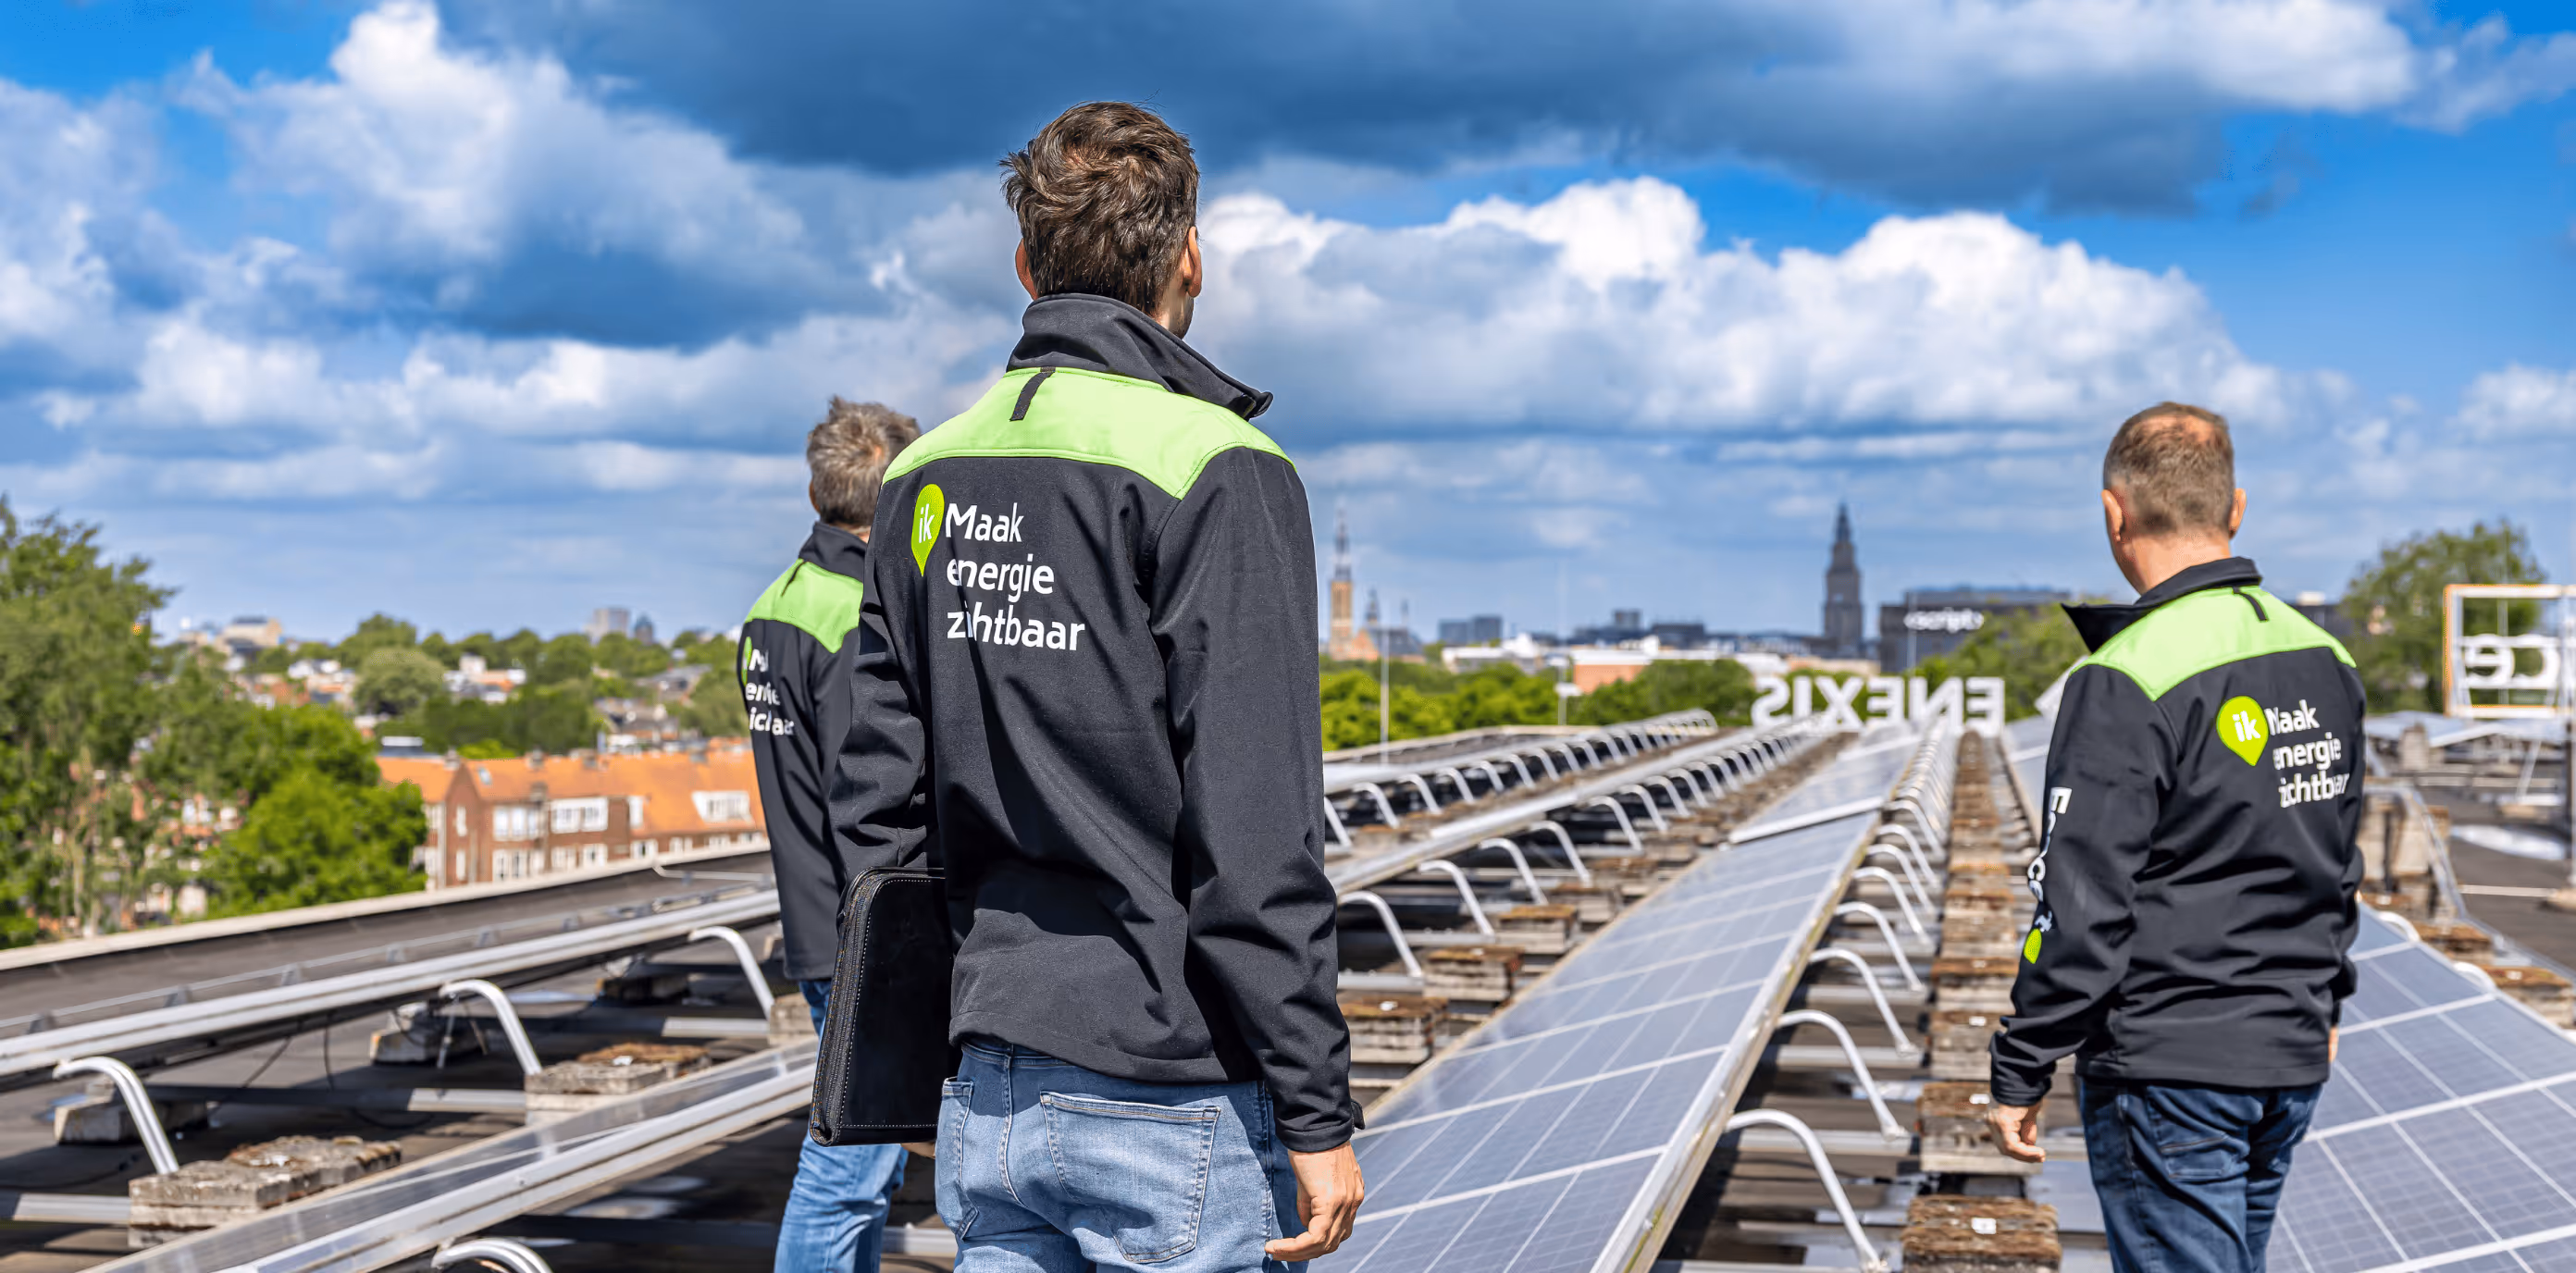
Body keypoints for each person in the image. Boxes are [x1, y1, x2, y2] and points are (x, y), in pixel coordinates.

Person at [834, 101, 1362, 1271]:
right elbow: (1256, 831)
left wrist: (915, 1053)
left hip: (988, 1079)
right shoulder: (1216, 465)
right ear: (1190, 258)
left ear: (1026, 265)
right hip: (1171, 1085)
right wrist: (1317, 1107)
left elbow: (875, 807)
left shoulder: (922, 476)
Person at [1988, 402, 2364, 1273]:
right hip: (2290, 1052)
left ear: (2113, 514)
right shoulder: (2324, 657)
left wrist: (2023, 1062)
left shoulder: (2126, 674)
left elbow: (2081, 902)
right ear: (2236, 509)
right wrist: (2328, 1000)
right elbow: (2335, 859)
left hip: (2170, 1065)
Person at [740, 398, 921, 1273]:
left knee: (867, 1155)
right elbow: (870, 801)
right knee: (849, 1166)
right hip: (863, 928)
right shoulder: (856, 617)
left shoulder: (778, 604)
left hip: (815, 913)